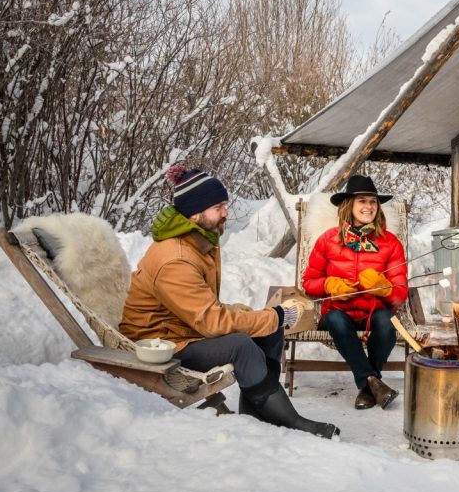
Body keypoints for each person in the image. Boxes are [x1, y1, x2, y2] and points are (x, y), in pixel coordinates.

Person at [120, 164, 338, 439]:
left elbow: (199, 307)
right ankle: (293, 421)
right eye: (218, 207)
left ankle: (256, 414)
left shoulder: (197, 241)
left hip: (183, 330)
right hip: (161, 343)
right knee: (241, 345)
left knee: (269, 329)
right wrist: (278, 315)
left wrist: (266, 318)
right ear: (196, 212)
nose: (226, 212)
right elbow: (212, 322)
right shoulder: (176, 258)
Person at [302, 175, 408, 410]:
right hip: (339, 313)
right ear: (349, 205)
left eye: (372, 202)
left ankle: (368, 386)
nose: (368, 207)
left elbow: (400, 294)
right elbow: (309, 282)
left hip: (374, 312)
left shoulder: (390, 243)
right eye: (362, 201)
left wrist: (385, 287)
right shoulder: (328, 240)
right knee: (337, 320)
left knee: (386, 321)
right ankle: (373, 382)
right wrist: (329, 285)